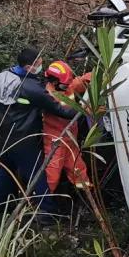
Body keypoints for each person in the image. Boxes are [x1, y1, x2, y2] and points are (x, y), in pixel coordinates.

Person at [0, 46, 78, 215]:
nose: (41, 67)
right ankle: (47, 215)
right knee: (37, 175)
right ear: (29, 67)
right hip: (22, 140)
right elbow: (62, 111)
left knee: (6, 171)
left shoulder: (0, 77)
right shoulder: (31, 89)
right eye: (39, 64)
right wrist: (83, 107)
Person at [41, 59, 93, 193]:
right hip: (55, 141)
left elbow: (80, 82)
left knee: (79, 170)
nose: (68, 86)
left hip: (70, 139)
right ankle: (42, 204)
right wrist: (85, 110)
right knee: (52, 174)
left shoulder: (66, 86)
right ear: (54, 82)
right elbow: (65, 112)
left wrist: (98, 75)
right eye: (65, 84)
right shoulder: (47, 96)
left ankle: (87, 196)